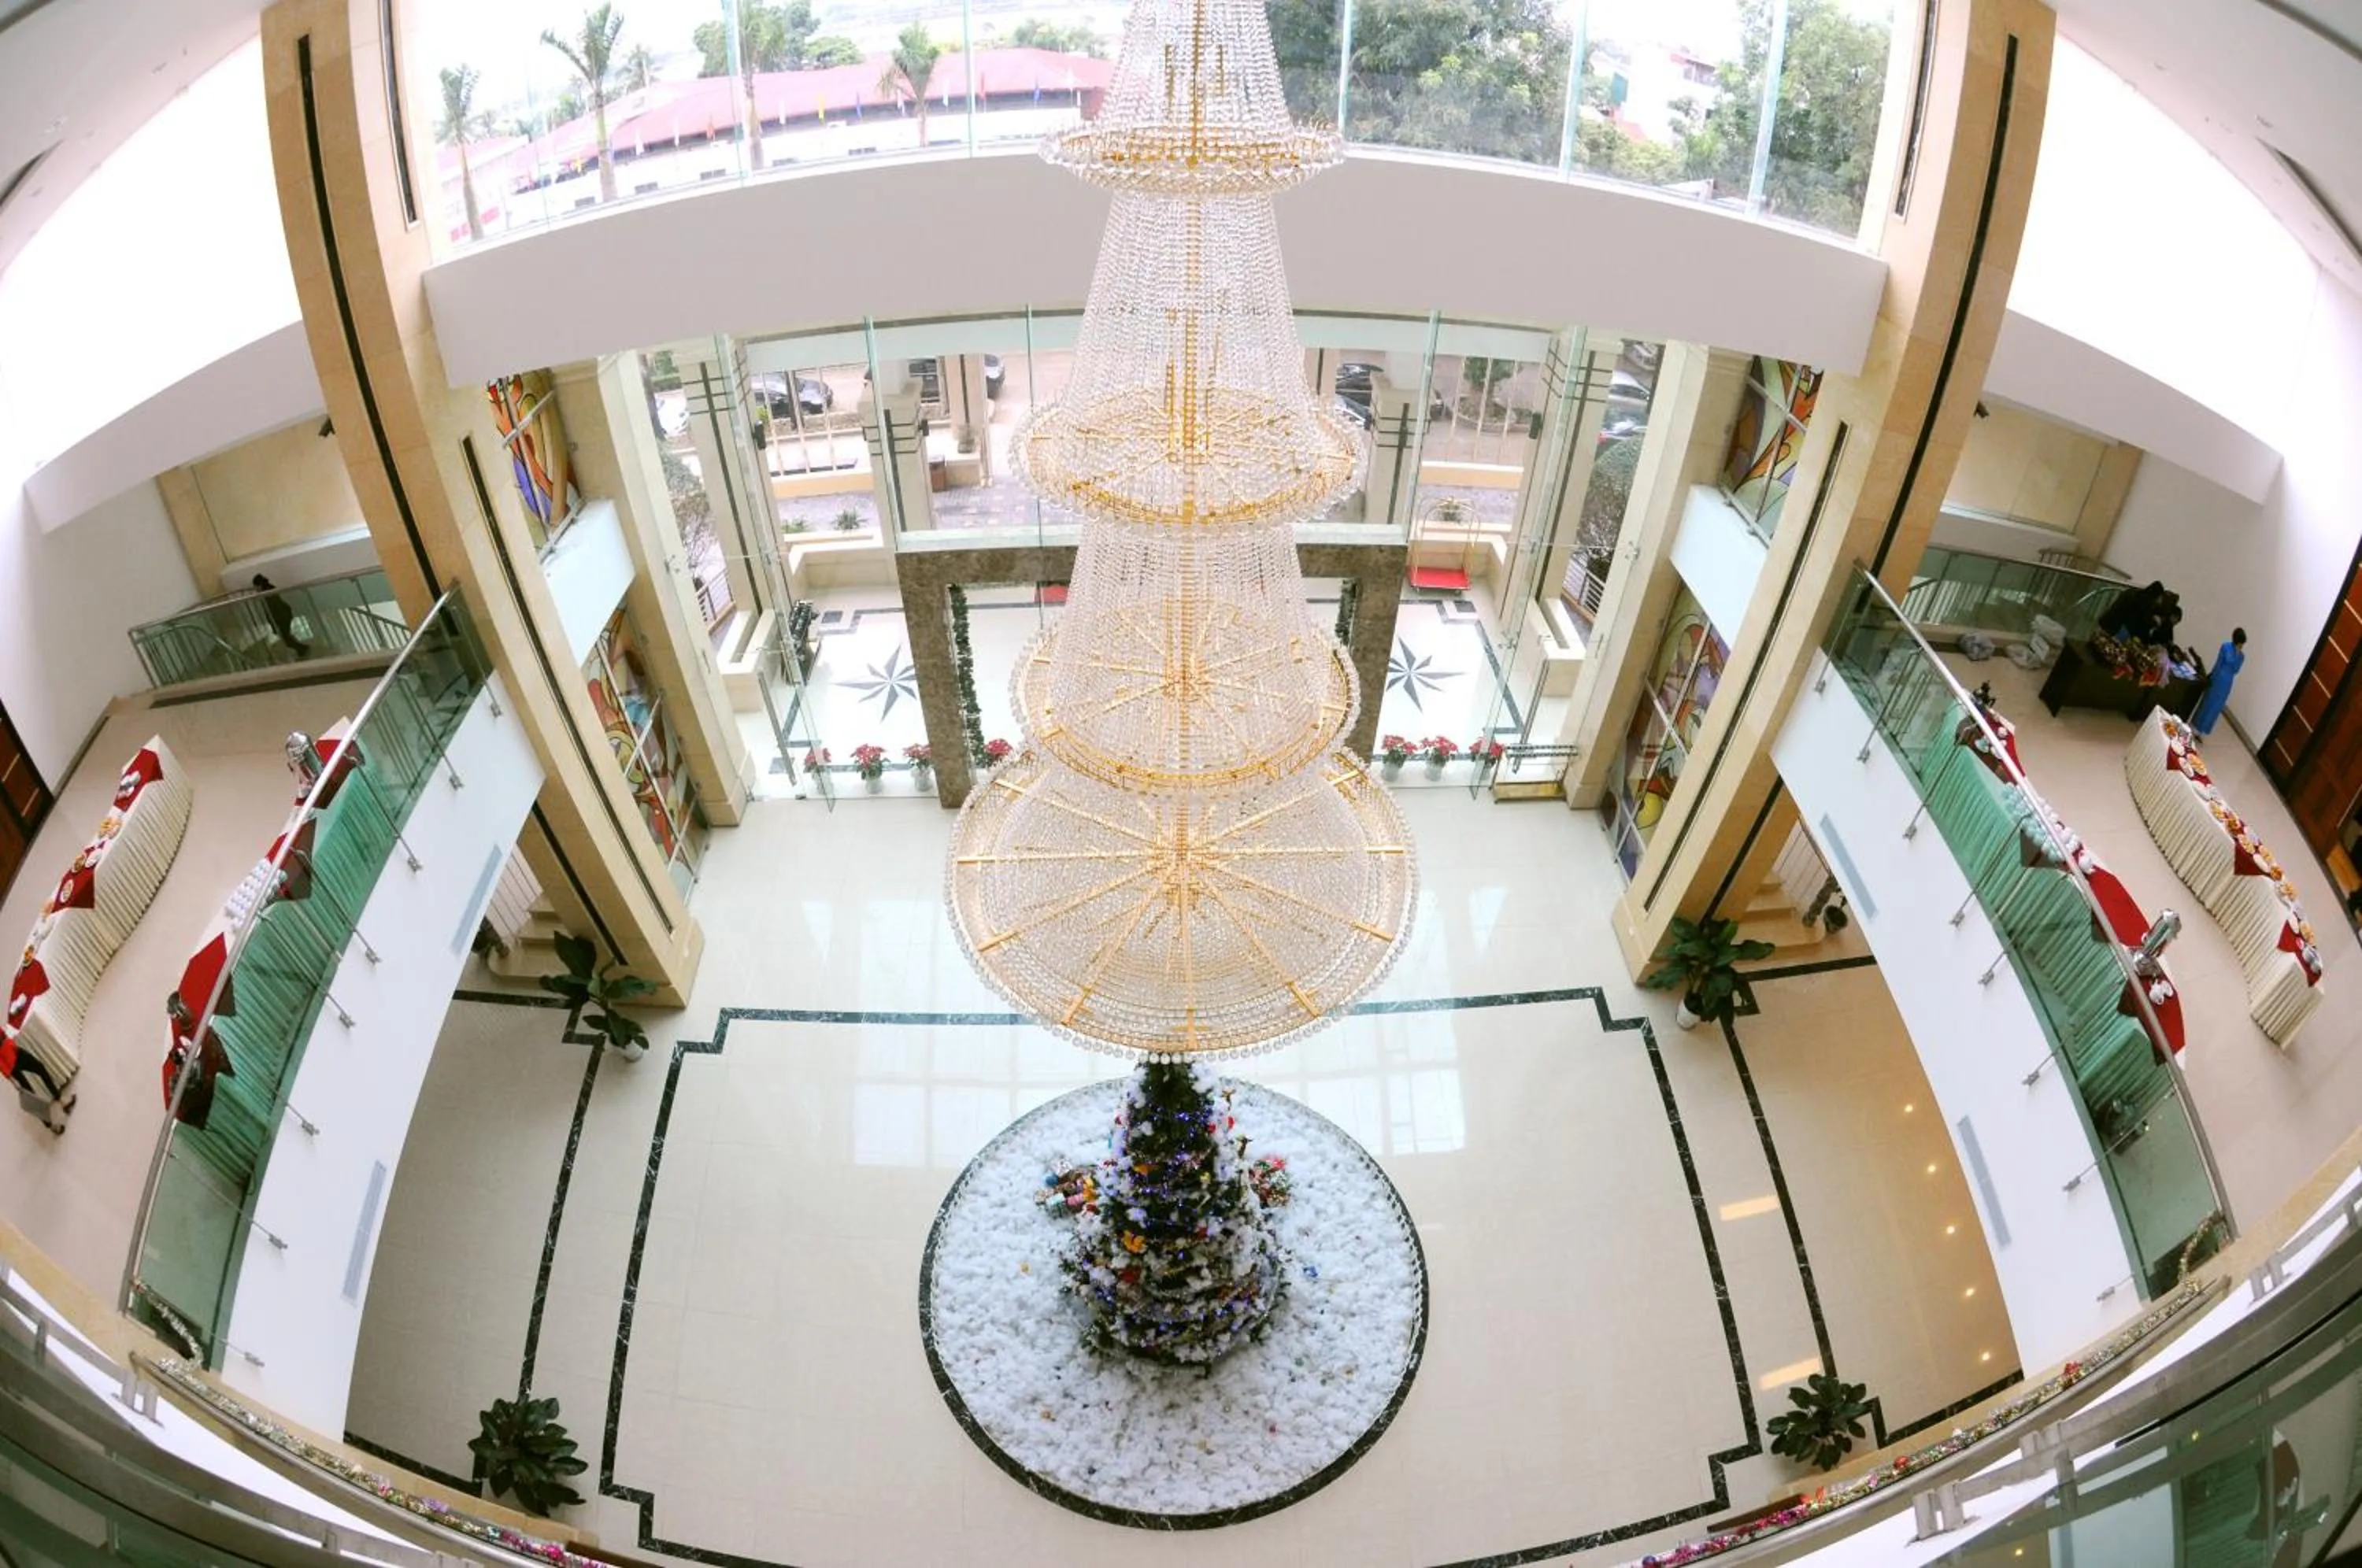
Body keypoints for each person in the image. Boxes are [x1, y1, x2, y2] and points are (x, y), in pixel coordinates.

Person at [2192, 627, 2247, 737]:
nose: (2242, 646)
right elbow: (2219, 663)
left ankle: (2204, 729)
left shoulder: (2241, 656)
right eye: (2241, 643)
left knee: (2217, 706)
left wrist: (2237, 653)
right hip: (2218, 677)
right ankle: (2196, 724)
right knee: (2208, 701)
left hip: (2228, 682)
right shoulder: (2225, 646)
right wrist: (2212, 676)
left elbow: (2236, 669)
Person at [252, 574, 310, 656]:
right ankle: (301, 649)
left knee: (286, 639)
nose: (255, 589)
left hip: (282, 617)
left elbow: (273, 609)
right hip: (284, 614)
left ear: (259, 585)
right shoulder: (269, 590)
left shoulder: (268, 594)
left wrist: (273, 623)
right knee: (286, 637)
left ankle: (302, 649)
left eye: (256, 587)